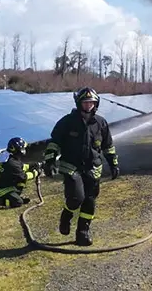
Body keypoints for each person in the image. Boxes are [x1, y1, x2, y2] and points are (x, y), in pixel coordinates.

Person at [43, 87, 120, 246]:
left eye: (91, 102)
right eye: (85, 102)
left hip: (93, 167)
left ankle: (83, 233)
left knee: (90, 201)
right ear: (79, 103)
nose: (88, 105)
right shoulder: (67, 122)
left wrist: (113, 164)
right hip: (71, 165)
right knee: (77, 197)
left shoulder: (101, 123)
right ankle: (66, 215)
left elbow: (108, 146)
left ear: (96, 103)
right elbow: (54, 142)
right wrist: (50, 161)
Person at [0, 137, 43, 212]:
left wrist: (33, 165)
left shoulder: (9, 157)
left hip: (5, 184)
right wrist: (36, 173)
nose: (24, 150)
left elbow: (21, 167)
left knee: (20, 184)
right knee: (18, 202)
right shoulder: (11, 163)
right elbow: (23, 177)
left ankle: (15, 197)